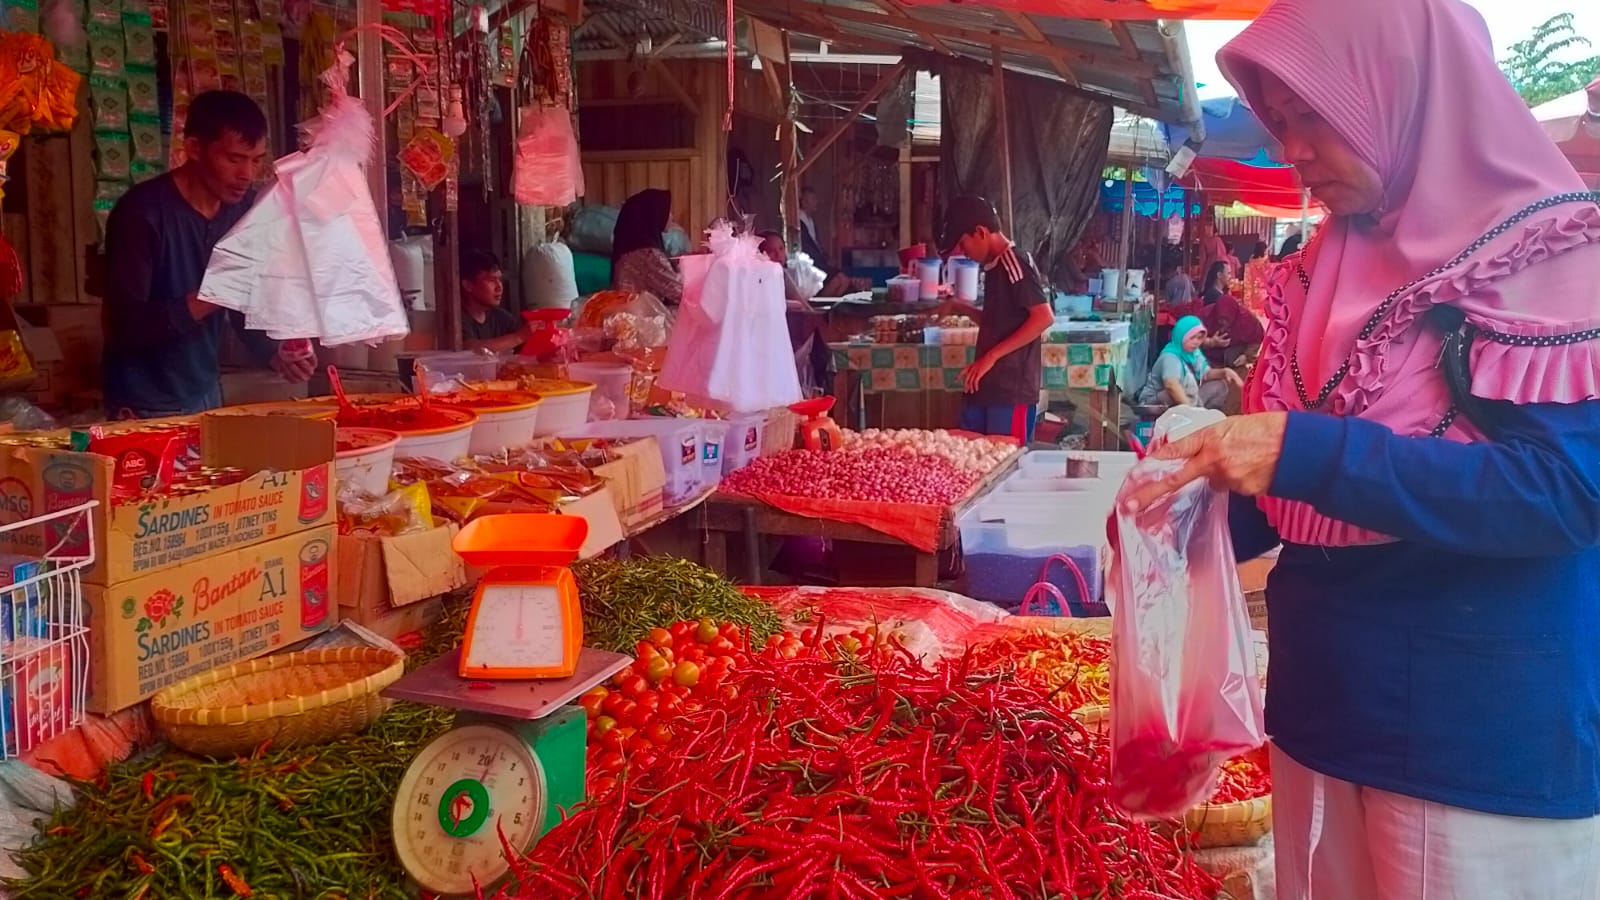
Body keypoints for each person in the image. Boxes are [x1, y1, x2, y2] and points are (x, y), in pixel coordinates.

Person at [1127, 0, 1600, 896]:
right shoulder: (1320, 268)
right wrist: (1187, 517)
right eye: (1282, 118)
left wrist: (1306, 452)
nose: (1292, 149)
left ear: (1406, 91)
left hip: (1473, 746)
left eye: (1316, 115)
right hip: (1322, 714)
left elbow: (1568, 491)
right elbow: (1299, 495)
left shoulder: (1548, 252)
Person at [101, 90, 315, 417]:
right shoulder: (141, 214)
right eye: (233, 159)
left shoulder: (244, 209)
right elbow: (124, 327)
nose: (247, 174)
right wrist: (211, 294)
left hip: (205, 392)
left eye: (256, 160)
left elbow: (242, 302)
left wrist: (275, 352)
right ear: (194, 149)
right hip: (144, 403)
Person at [937, 195, 1055, 443]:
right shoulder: (993, 266)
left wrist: (989, 358)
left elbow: (1043, 317)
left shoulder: (1014, 261)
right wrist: (962, 307)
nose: (962, 252)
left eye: (962, 243)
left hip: (1010, 391)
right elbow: (1001, 323)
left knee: (1005, 463)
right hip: (988, 389)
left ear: (980, 232)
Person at [757, 231, 832, 396]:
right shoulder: (758, 276)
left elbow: (802, 306)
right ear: (760, 253)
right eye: (771, 251)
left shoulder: (781, 274)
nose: (778, 255)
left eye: (781, 249)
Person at [1134, 315, 1239, 411]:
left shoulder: (1193, 353)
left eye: (1199, 338)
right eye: (1192, 338)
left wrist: (1224, 372)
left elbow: (1205, 374)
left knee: (1219, 386)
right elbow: (1171, 385)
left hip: (1183, 395)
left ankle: (1200, 414)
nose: (1196, 342)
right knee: (1171, 393)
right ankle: (1193, 416)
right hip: (1154, 404)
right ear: (1181, 336)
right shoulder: (1170, 357)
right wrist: (1190, 411)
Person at [611, 189, 682, 305]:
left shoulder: (632, 249)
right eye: (668, 211)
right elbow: (680, 293)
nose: (671, 216)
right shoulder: (647, 255)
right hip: (640, 319)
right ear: (654, 214)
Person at [458, 250, 529, 354]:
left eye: (499, 279)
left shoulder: (501, 317)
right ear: (468, 285)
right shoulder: (456, 320)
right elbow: (469, 350)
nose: (499, 287)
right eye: (491, 280)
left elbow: (528, 347)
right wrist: (519, 337)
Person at [1197, 262, 1265, 369]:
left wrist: (1246, 356)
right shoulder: (1206, 315)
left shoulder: (1246, 319)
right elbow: (1190, 338)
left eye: (1227, 320)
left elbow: (1257, 337)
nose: (1223, 324)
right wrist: (1211, 342)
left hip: (1235, 362)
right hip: (1209, 363)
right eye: (1220, 320)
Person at [1239, 239, 1271, 313]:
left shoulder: (1251, 259)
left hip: (1253, 285)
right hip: (1263, 286)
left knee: (1253, 306)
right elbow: (1268, 273)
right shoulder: (1265, 259)